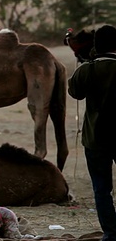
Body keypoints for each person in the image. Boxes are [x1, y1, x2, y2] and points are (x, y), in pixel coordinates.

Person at [68, 24, 116, 241]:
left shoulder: (87, 69)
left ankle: (111, 232)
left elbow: (74, 92)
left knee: (101, 189)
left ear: (96, 46)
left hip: (95, 138)